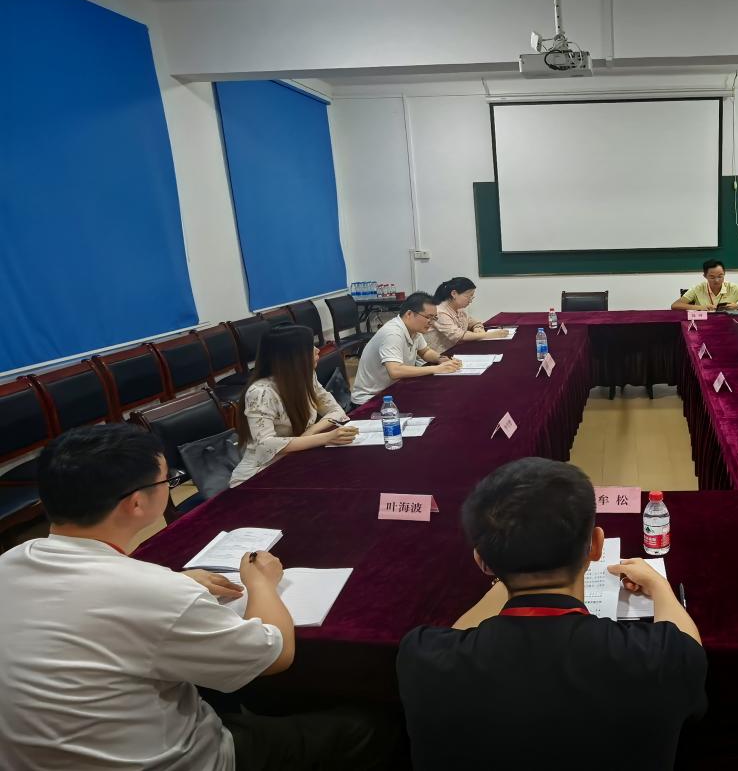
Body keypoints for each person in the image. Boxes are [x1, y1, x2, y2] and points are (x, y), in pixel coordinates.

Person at [0, 424, 394, 770]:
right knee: (372, 727)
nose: (169, 485)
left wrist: (175, 582)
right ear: (136, 503)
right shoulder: (155, 592)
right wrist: (261, 582)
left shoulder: (11, 562)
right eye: (166, 481)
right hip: (177, 761)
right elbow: (274, 655)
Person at [397, 458, 707, 770]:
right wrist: (659, 586)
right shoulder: (657, 659)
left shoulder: (422, 658)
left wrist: (510, 565)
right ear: (595, 546)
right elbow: (689, 646)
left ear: (481, 562)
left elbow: (456, 638)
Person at [230, 324, 357, 487]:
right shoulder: (261, 392)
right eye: (309, 347)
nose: (317, 350)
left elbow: (336, 410)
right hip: (261, 471)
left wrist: (310, 432)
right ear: (291, 356)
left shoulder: (306, 376)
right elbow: (265, 445)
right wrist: (326, 437)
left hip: (297, 456)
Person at [350, 291, 462, 405]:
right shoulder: (393, 333)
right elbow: (395, 371)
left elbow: (425, 352)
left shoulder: (414, 330)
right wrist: (436, 369)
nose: (431, 322)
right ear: (409, 314)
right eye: (428, 317)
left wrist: (440, 359)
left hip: (394, 389)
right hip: (370, 399)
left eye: (434, 318)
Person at [425, 276, 508, 354]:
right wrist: (489, 335)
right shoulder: (440, 312)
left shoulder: (459, 309)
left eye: (472, 297)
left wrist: (477, 328)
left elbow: (474, 323)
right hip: (440, 355)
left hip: (457, 351)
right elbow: (458, 336)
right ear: (454, 294)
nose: (470, 300)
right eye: (469, 296)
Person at [671, 258, 738, 311]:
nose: (717, 280)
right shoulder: (698, 288)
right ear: (705, 276)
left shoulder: (733, 288)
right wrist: (701, 307)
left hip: (727, 324)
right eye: (712, 277)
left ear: (724, 274)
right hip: (704, 325)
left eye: (720, 276)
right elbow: (675, 305)